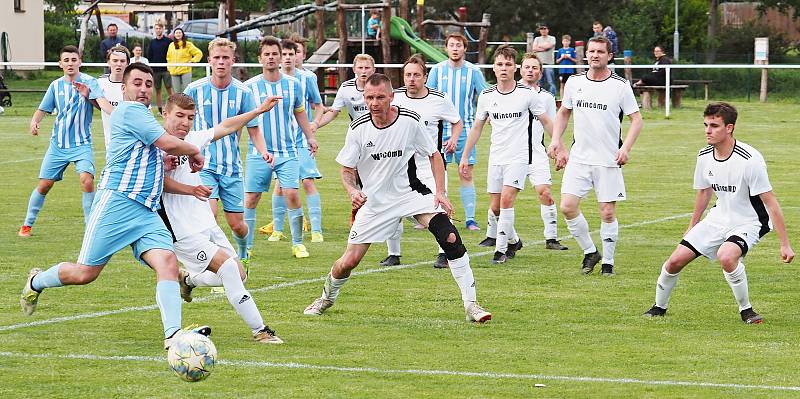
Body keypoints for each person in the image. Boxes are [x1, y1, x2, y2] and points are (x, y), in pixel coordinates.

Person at [20, 63, 207, 350]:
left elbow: (153, 150)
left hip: (145, 210)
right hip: (116, 204)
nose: (143, 89)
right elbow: (166, 143)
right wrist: (193, 151)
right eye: (137, 83)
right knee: (85, 274)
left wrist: (163, 160)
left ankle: (173, 336)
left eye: (148, 84)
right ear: (125, 88)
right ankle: (36, 282)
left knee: (168, 263)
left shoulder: (143, 117)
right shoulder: (129, 111)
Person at [302, 73, 491, 324]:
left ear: (392, 97)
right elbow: (347, 170)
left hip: (411, 193)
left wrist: (440, 192)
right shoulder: (358, 128)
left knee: (450, 237)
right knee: (348, 262)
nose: (374, 102)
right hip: (376, 202)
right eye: (369, 97)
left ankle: (472, 305)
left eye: (380, 97)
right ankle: (326, 296)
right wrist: (352, 191)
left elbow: (434, 155)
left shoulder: (409, 121)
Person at [643, 102, 794, 323]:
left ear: (729, 128)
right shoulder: (704, 156)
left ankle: (747, 310)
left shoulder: (750, 160)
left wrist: (785, 244)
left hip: (750, 221)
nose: (707, 130)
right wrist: (692, 225)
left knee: (726, 256)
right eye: (705, 125)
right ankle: (658, 308)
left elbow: (770, 202)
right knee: (674, 261)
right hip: (718, 218)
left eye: (714, 125)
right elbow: (704, 193)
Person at [160, 92, 285, 343]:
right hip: (182, 230)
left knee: (238, 274)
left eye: (190, 118)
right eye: (179, 116)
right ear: (165, 113)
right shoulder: (154, 144)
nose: (185, 123)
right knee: (228, 268)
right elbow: (154, 183)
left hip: (205, 221)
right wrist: (182, 182)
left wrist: (258, 111)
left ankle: (189, 279)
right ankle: (260, 331)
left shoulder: (192, 139)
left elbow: (226, 126)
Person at [547, 36, 643, 276]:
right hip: (579, 158)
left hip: (608, 160)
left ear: (609, 56)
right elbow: (563, 113)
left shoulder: (620, 86)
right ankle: (590, 251)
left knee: (607, 212)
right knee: (567, 207)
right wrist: (556, 140)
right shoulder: (574, 82)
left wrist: (625, 148)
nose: (594, 55)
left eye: (600, 51)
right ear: (585, 55)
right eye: (591, 51)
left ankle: (608, 263)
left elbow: (636, 119)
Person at [460, 46, 554, 264]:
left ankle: (500, 251)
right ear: (494, 68)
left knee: (506, 200)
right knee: (495, 208)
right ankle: (514, 240)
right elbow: (477, 127)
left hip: (519, 157)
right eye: (500, 64)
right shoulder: (486, 96)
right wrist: (465, 155)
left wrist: (558, 145)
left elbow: (547, 121)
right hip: (497, 157)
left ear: (515, 68)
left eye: (508, 64)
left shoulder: (527, 95)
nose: (504, 68)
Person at [184, 38, 268, 264]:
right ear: (209, 60)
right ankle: (219, 267)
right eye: (217, 58)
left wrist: (263, 151)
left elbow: (253, 129)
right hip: (203, 166)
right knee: (208, 218)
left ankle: (242, 254)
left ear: (233, 60)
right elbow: (181, 122)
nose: (221, 62)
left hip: (231, 167)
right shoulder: (194, 89)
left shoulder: (243, 92)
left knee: (238, 226)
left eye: (225, 58)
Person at [479, 52, 568, 252]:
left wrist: (558, 147)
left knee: (544, 192)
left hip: (535, 153)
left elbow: (552, 125)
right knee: (498, 202)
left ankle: (551, 238)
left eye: (534, 68)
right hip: (509, 154)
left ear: (541, 72)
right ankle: (496, 236)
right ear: (520, 69)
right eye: (527, 67)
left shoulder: (545, 97)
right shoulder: (502, 93)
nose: (530, 71)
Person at [381, 54, 463, 269]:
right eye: (408, 75)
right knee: (392, 206)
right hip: (400, 165)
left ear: (425, 77)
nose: (411, 79)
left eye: (416, 75)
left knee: (439, 205)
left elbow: (457, 121)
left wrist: (453, 139)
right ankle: (393, 253)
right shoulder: (394, 97)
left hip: (430, 164)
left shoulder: (438, 99)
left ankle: (444, 253)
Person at [244, 36, 318, 259]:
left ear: (281, 56)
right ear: (260, 58)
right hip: (258, 152)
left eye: (274, 53)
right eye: (266, 54)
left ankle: (297, 243)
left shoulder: (293, 85)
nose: (271, 58)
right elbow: (243, 117)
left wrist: (310, 137)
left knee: (292, 194)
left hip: (287, 151)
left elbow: (300, 112)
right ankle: (245, 247)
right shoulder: (250, 87)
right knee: (251, 199)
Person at [19, 45, 103, 237]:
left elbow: (101, 106)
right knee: (44, 185)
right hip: (58, 145)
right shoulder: (55, 86)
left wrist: (88, 96)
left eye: (74, 60)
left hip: (82, 144)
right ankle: (27, 225)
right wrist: (34, 121)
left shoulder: (90, 82)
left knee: (87, 180)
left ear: (80, 62)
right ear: (60, 64)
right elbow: (43, 108)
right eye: (66, 60)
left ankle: (90, 227)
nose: (70, 63)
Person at [261, 38, 325, 244]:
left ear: (299, 55)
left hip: (301, 141)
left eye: (292, 54)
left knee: (307, 182)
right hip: (280, 144)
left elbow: (318, 105)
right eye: (286, 54)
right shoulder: (270, 82)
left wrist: (313, 125)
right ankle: (278, 229)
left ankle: (316, 230)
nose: (289, 58)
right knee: (280, 185)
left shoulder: (307, 79)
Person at [428, 33, 487, 231]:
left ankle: (470, 219)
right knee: (436, 175)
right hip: (439, 131)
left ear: (464, 48)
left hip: (466, 131)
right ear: (446, 48)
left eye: (459, 45)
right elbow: (427, 98)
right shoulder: (437, 70)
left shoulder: (473, 71)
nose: (455, 48)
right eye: (451, 45)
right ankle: (435, 215)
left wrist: (483, 120)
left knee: (466, 173)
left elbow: (485, 98)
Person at [97, 44, 130, 149]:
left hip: (131, 140)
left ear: (127, 63)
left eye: (122, 61)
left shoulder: (134, 85)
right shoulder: (100, 83)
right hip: (110, 143)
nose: (118, 64)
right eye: (115, 61)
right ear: (108, 62)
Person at [147, 20, 173, 114]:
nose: (158, 30)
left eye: (160, 28)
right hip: (155, 70)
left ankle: (172, 108)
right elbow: (149, 56)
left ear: (163, 29)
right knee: (158, 90)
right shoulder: (152, 42)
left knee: (169, 89)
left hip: (166, 70)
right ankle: (160, 110)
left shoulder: (169, 41)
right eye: (156, 28)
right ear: (154, 30)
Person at [167, 28, 202, 93]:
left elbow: (199, 53)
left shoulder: (188, 44)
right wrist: (169, 67)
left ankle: (187, 103)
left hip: (185, 70)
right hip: (174, 71)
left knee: (187, 91)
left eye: (179, 33)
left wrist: (192, 61)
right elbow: (168, 57)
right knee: (177, 92)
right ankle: (178, 103)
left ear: (183, 34)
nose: (178, 34)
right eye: (176, 33)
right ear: (174, 35)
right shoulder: (171, 45)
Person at [532, 23, 557, 95]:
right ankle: (538, 97)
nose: (543, 30)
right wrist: (544, 48)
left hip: (549, 64)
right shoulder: (537, 38)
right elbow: (534, 48)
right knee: (539, 82)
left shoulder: (552, 38)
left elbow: (549, 46)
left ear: (548, 30)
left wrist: (539, 47)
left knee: (551, 82)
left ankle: (553, 98)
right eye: (541, 29)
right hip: (539, 65)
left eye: (544, 28)